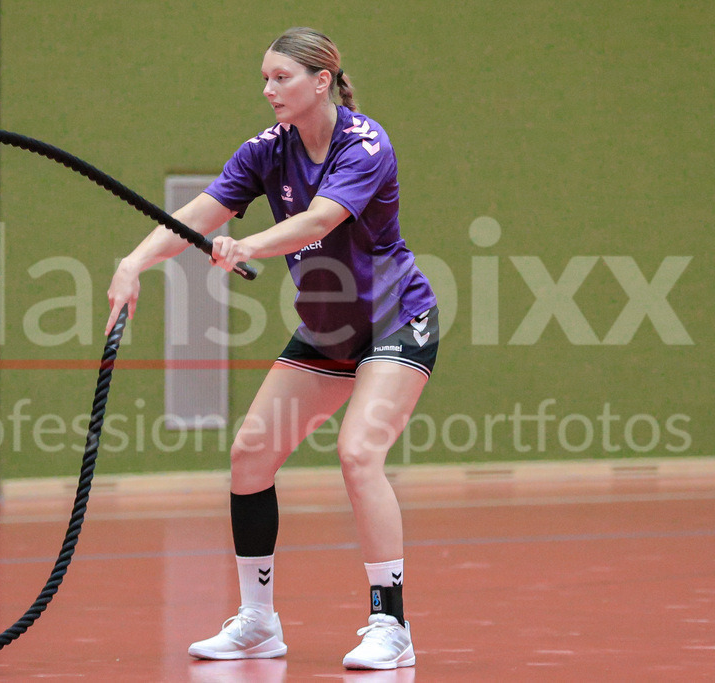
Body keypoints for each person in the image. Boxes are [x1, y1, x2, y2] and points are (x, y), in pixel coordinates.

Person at [105, 27, 438, 671]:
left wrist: (248, 245)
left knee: (358, 452)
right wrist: (133, 262)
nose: (268, 90)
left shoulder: (366, 143)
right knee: (250, 455)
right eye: (264, 78)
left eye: (280, 77)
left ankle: (390, 624)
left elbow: (320, 220)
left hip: (394, 320)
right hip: (325, 330)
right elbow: (199, 215)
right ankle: (258, 621)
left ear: (322, 81)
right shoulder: (267, 150)